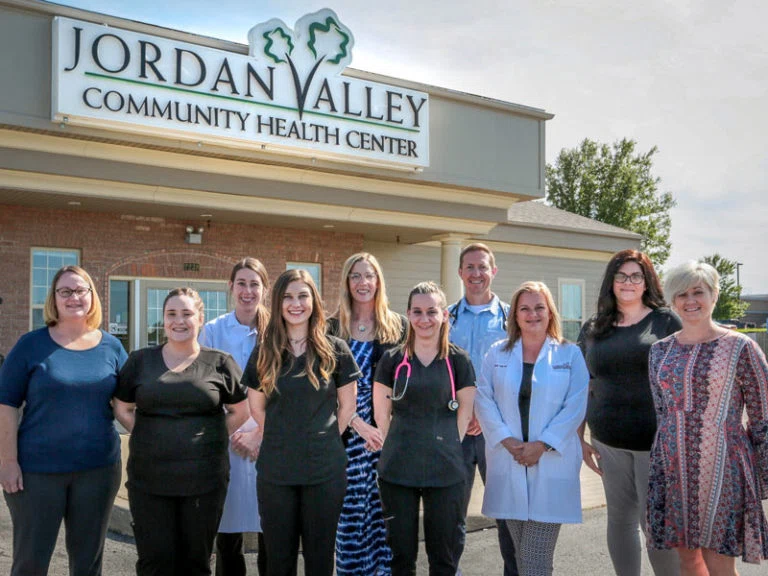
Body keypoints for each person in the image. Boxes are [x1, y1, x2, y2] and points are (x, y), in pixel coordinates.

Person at [113, 287, 250, 576]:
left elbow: (241, 410)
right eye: (171, 314)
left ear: (200, 318)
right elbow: (122, 407)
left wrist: (211, 433)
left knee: (196, 564)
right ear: (163, 319)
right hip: (149, 481)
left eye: (187, 314)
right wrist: (150, 433)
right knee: (154, 563)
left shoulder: (221, 362)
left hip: (204, 482)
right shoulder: (140, 361)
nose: (179, 321)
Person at [0, 265, 126, 576]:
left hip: (98, 471)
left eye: (81, 290)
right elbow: (6, 404)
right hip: (37, 473)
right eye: (65, 291)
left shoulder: (112, 347)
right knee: (30, 562)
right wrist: (7, 461)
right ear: (54, 299)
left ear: (92, 297)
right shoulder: (30, 345)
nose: (73, 297)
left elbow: (127, 406)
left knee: (88, 563)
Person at [647, 261, 768, 574]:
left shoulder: (742, 348)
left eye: (698, 292)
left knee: (719, 563)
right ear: (672, 301)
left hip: (723, 470)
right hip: (674, 469)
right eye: (682, 294)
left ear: (714, 295)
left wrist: (764, 477)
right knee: (688, 561)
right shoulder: (659, 351)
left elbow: (762, 416)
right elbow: (662, 413)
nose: (690, 301)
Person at [244, 269, 360, 576]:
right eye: (288, 297)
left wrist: (321, 437)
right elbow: (256, 407)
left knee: (320, 560)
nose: (295, 304)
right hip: (276, 472)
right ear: (278, 303)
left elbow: (348, 407)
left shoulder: (336, 349)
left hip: (324, 471)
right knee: (278, 561)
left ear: (314, 302)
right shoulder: (264, 352)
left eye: (302, 296)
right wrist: (285, 436)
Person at [577, 249, 682, 576]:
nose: (628, 282)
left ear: (647, 281)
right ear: (611, 282)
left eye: (636, 275)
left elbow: (684, 380)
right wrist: (580, 438)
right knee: (620, 519)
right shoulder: (593, 327)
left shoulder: (666, 321)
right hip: (608, 440)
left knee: (655, 522)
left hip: (657, 442)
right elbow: (583, 385)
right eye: (621, 275)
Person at [475, 281, 588, 576]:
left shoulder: (570, 354)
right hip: (509, 460)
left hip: (551, 462)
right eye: (524, 308)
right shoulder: (496, 353)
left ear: (550, 313)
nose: (532, 314)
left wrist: (543, 444)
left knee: (533, 556)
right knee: (522, 556)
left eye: (539, 307)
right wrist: (507, 441)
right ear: (514, 316)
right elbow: (484, 399)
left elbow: (575, 405)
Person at [373, 281, 477, 576]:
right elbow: (382, 416)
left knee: (443, 557)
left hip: (445, 471)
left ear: (444, 314)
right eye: (417, 312)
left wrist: (442, 447)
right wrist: (405, 443)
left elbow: (464, 414)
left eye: (432, 311)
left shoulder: (458, 360)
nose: (424, 319)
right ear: (408, 314)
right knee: (401, 557)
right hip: (398, 469)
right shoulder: (392, 360)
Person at [328, 253, 406, 576]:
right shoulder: (331, 328)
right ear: (347, 282)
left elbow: (405, 384)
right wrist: (358, 424)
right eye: (356, 276)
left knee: (384, 525)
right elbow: (323, 387)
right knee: (348, 528)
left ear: (379, 282)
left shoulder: (397, 327)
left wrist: (384, 431)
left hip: (385, 441)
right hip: (345, 439)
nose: (363, 283)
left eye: (369, 276)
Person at [447, 242, 517, 576]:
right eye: (470, 267)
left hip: (498, 432)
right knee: (451, 513)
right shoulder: (445, 318)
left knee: (507, 512)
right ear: (460, 272)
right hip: (455, 431)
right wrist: (464, 412)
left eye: (482, 267)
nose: (476, 274)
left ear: (494, 271)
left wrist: (484, 414)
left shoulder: (511, 319)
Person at [200, 258, 270, 576]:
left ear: (265, 289)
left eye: (254, 283)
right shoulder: (213, 332)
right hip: (228, 445)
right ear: (230, 287)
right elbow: (205, 392)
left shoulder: (278, 333)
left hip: (270, 445)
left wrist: (259, 433)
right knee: (227, 541)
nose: (247, 290)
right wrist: (236, 433)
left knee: (273, 537)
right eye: (241, 283)